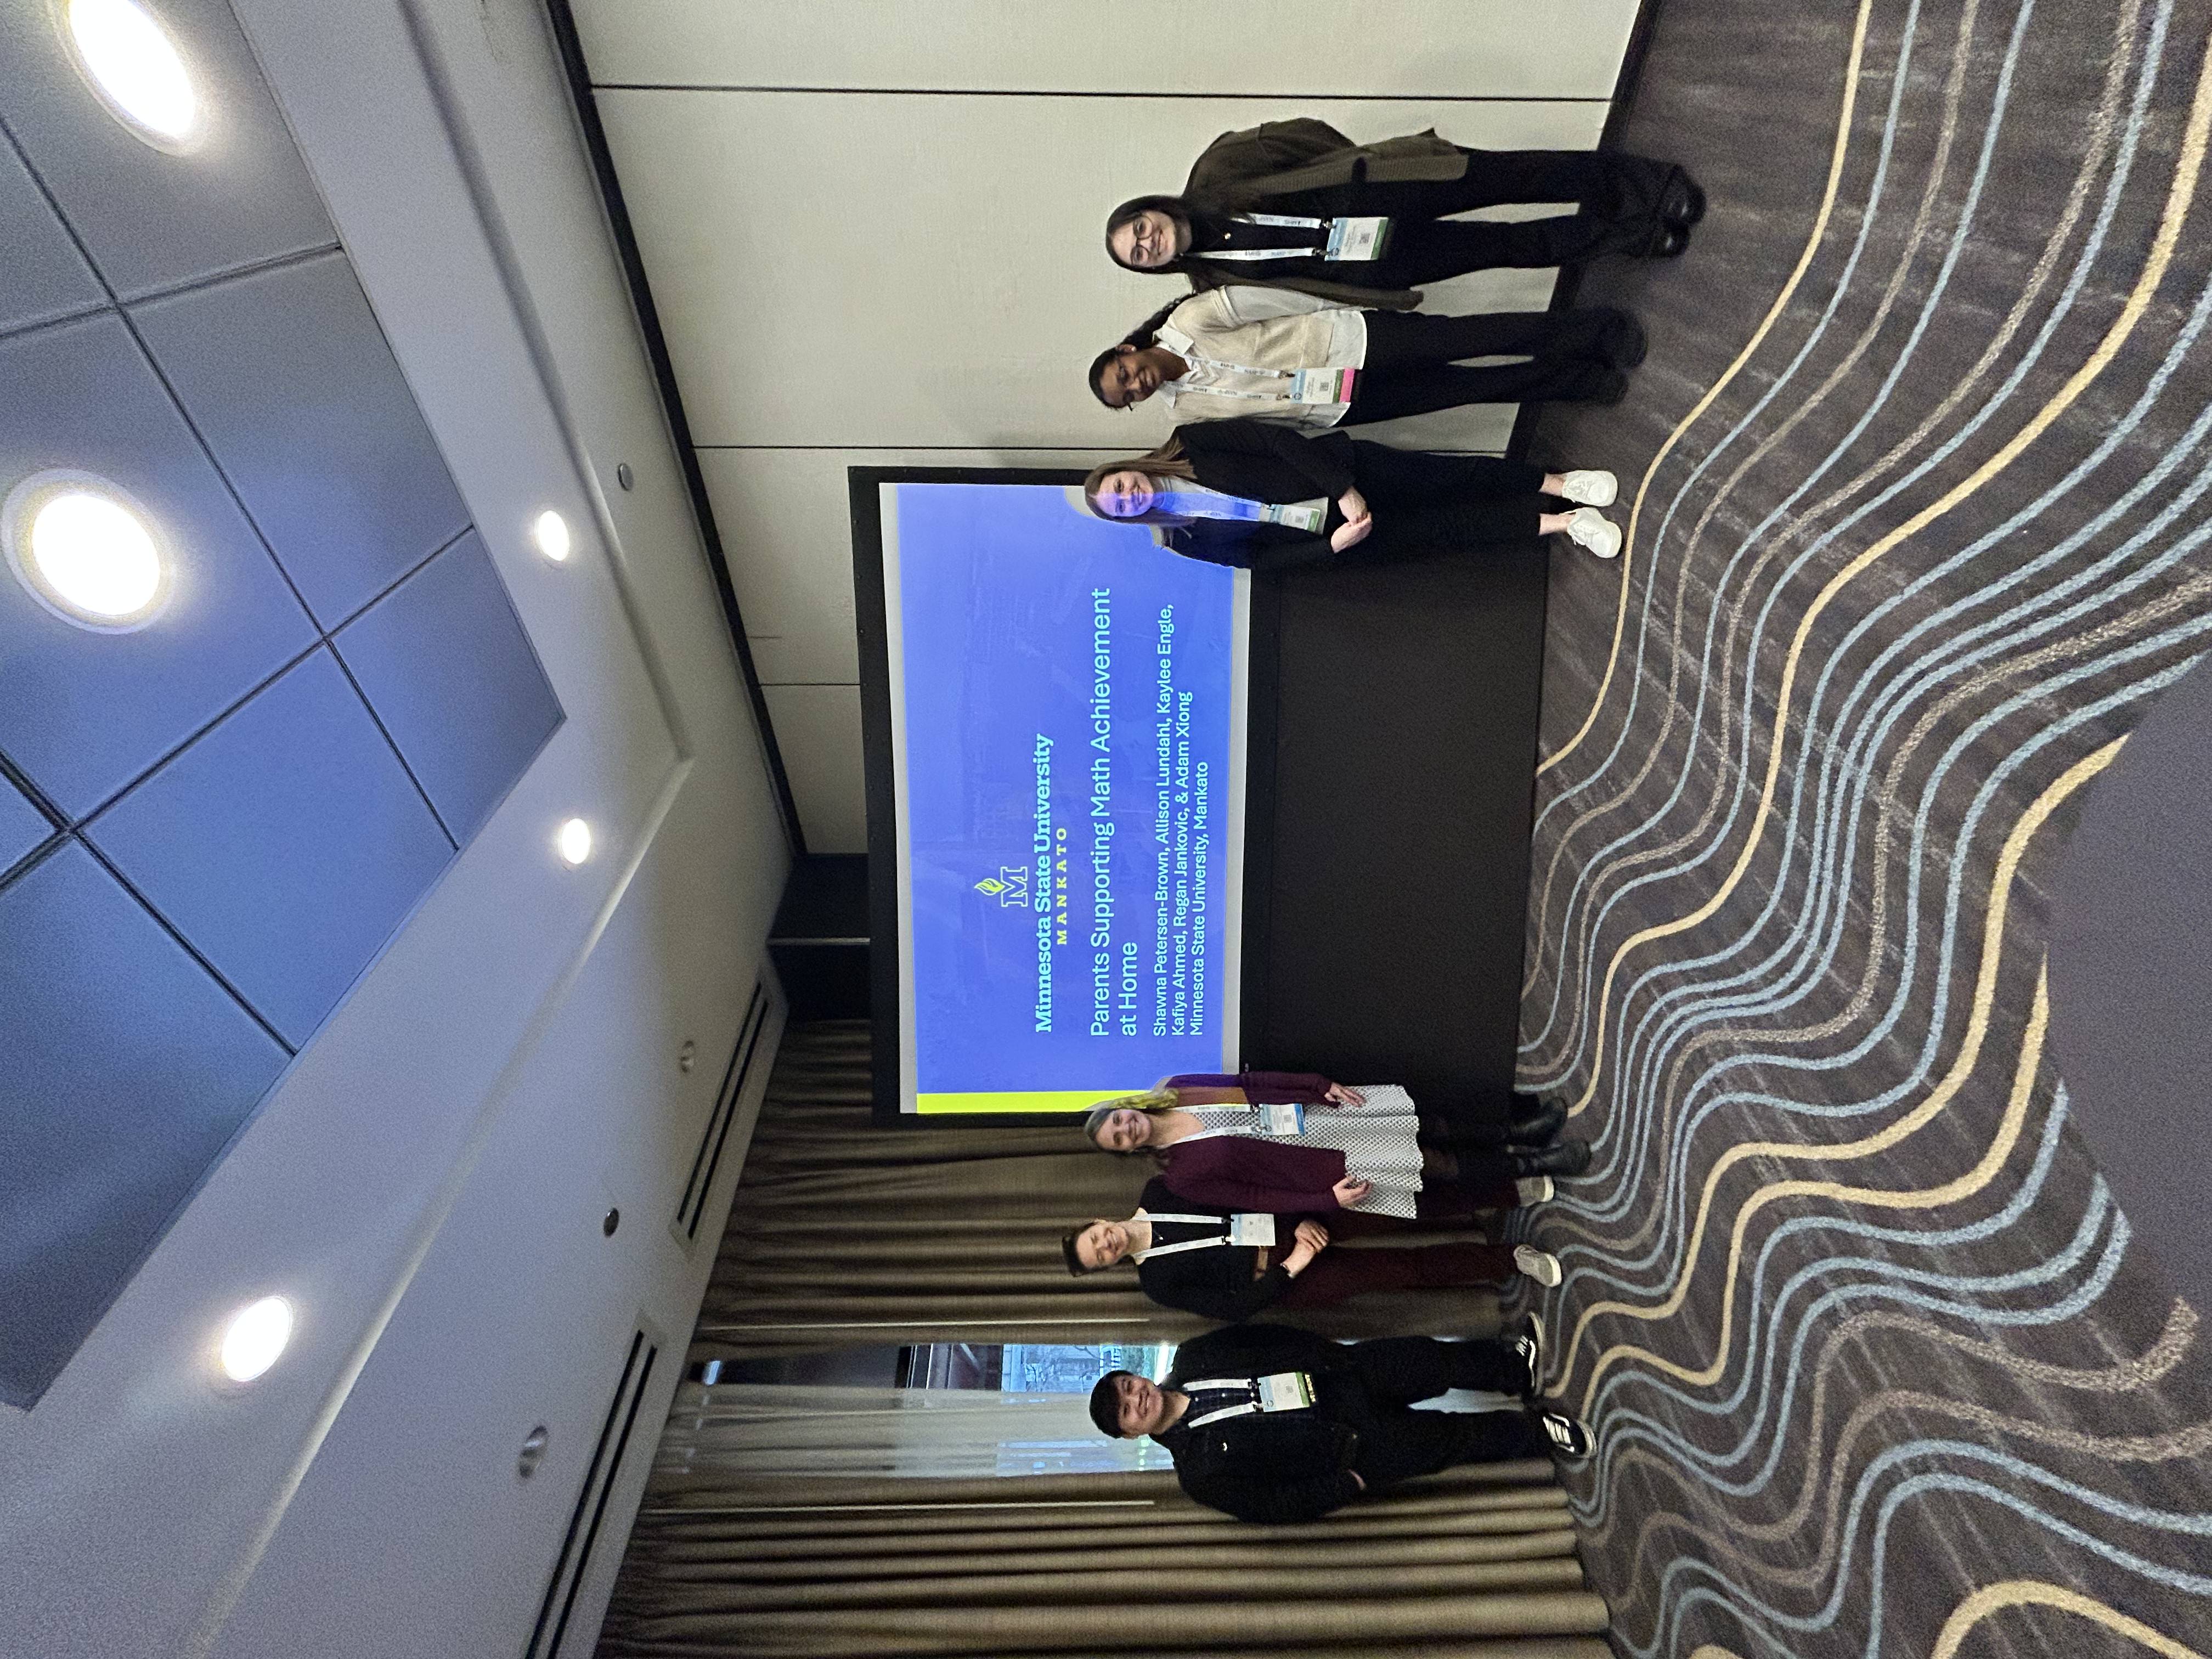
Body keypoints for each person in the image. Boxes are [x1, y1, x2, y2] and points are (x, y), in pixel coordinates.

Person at [1105, 116, 1702, 309]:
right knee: (1512, 247)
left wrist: (1353, 171)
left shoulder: (1218, 168)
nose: (1148, 243)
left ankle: (1653, 186)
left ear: (1150, 209)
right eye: (1139, 255)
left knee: (1519, 176)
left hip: (1389, 190)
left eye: (1139, 229)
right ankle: (1634, 234)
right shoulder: (1212, 282)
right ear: (1151, 267)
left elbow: (1308, 135)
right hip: (1378, 262)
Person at [1088, 1321, 1592, 1522]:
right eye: (1128, 1411)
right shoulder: (1198, 1474)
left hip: (1341, 1376)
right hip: (1352, 1448)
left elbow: (1263, 1336)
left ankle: (1513, 1370)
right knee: (1453, 1439)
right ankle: (1539, 1433)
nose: (1138, 1398)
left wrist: (1326, 1351)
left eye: (1129, 1386)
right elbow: (1271, 1505)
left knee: (1431, 1360)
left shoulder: (1193, 1357)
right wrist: (1345, 1484)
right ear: (1131, 1433)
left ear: (1136, 1376)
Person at [1081, 419, 1627, 567]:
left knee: (1453, 479)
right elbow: (1258, 561)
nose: (1129, 496)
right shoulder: (1182, 540)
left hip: (1347, 473)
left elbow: (1276, 441)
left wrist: (1340, 488)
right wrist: (1332, 546)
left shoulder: (1190, 443)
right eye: (1121, 507)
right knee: (1453, 530)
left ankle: (1560, 483)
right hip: (1345, 535)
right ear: (1128, 517)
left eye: (1120, 486)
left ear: (1128, 469)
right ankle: (1567, 523)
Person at [1082, 1069, 1592, 1223]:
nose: (1128, 1129)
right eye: (1119, 1139)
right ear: (1127, 1152)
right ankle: (1538, 1163)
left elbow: (1251, 1082)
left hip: (1318, 1115)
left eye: (1120, 1120)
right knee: (1435, 1165)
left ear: (1126, 1107)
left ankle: (1523, 1131)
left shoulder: (1180, 1087)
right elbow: (1257, 1200)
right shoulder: (1181, 1177)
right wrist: (1326, 1200)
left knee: (1429, 1121)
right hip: (1323, 1163)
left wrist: (1315, 1085)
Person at [1087, 286, 1640, 427]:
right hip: (1340, 404)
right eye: (1127, 395)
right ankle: (1581, 381)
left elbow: (1285, 301)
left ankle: (1598, 333)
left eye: (1124, 374)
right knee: (1472, 388)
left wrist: (1357, 308)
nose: (1136, 385)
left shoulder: (1190, 320)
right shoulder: (1184, 411)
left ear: (1127, 350)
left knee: (1479, 337)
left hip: (1353, 341)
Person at [1063, 1173, 1565, 1319]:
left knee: (1410, 1206)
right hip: (1286, 1277)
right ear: (1108, 1265)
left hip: (1298, 1213)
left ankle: (1508, 1191)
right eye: (1100, 1255)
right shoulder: (1157, 1282)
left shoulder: (1159, 1191)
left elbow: (1246, 1187)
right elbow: (1233, 1308)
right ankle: (1511, 1260)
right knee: (1404, 1270)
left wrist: (1300, 1216)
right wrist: (1293, 1265)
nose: (1106, 1245)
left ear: (1099, 1222)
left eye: (1096, 1237)